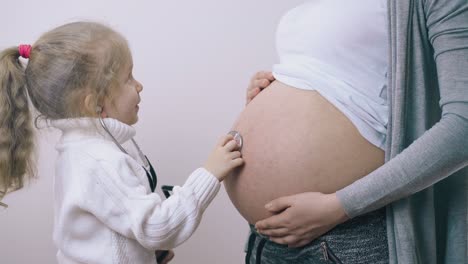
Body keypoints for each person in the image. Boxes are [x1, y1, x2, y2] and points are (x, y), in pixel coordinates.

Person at [225, 0, 468, 263]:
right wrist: (272, 90)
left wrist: (340, 206)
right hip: (267, 240)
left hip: (349, 232)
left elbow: (463, 125)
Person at [0, 21, 244, 264]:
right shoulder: (98, 160)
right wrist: (209, 174)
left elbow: (107, 227)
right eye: (128, 78)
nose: (139, 86)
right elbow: (158, 227)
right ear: (94, 102)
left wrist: (142, 255)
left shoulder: (83, 150)